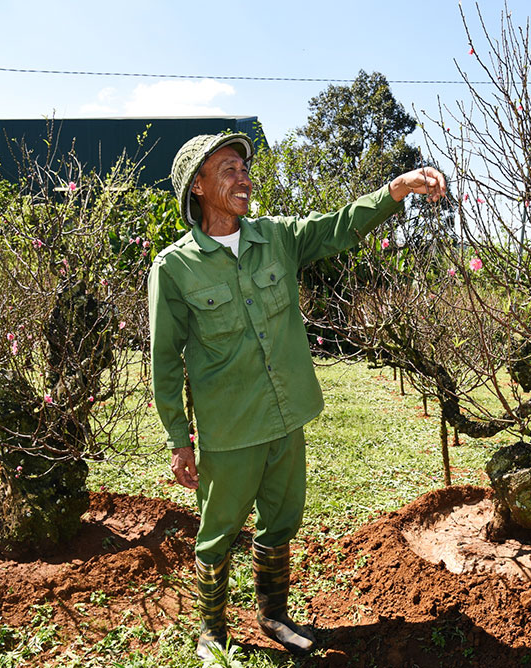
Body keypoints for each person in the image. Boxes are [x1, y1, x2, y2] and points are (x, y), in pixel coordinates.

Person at [148, 132, 445, 659]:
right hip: (230, 429)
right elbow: (165, 360)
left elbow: (338, 228)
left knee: (281, 518)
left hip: (286, 415)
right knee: (218, 531)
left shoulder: (277, 237)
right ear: (197, 186)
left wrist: (395, 189)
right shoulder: (174, 268)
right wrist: (178, 438)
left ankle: (273, 615)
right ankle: (212, 630)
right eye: (228, 169)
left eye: (244, 166)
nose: (243, 177)